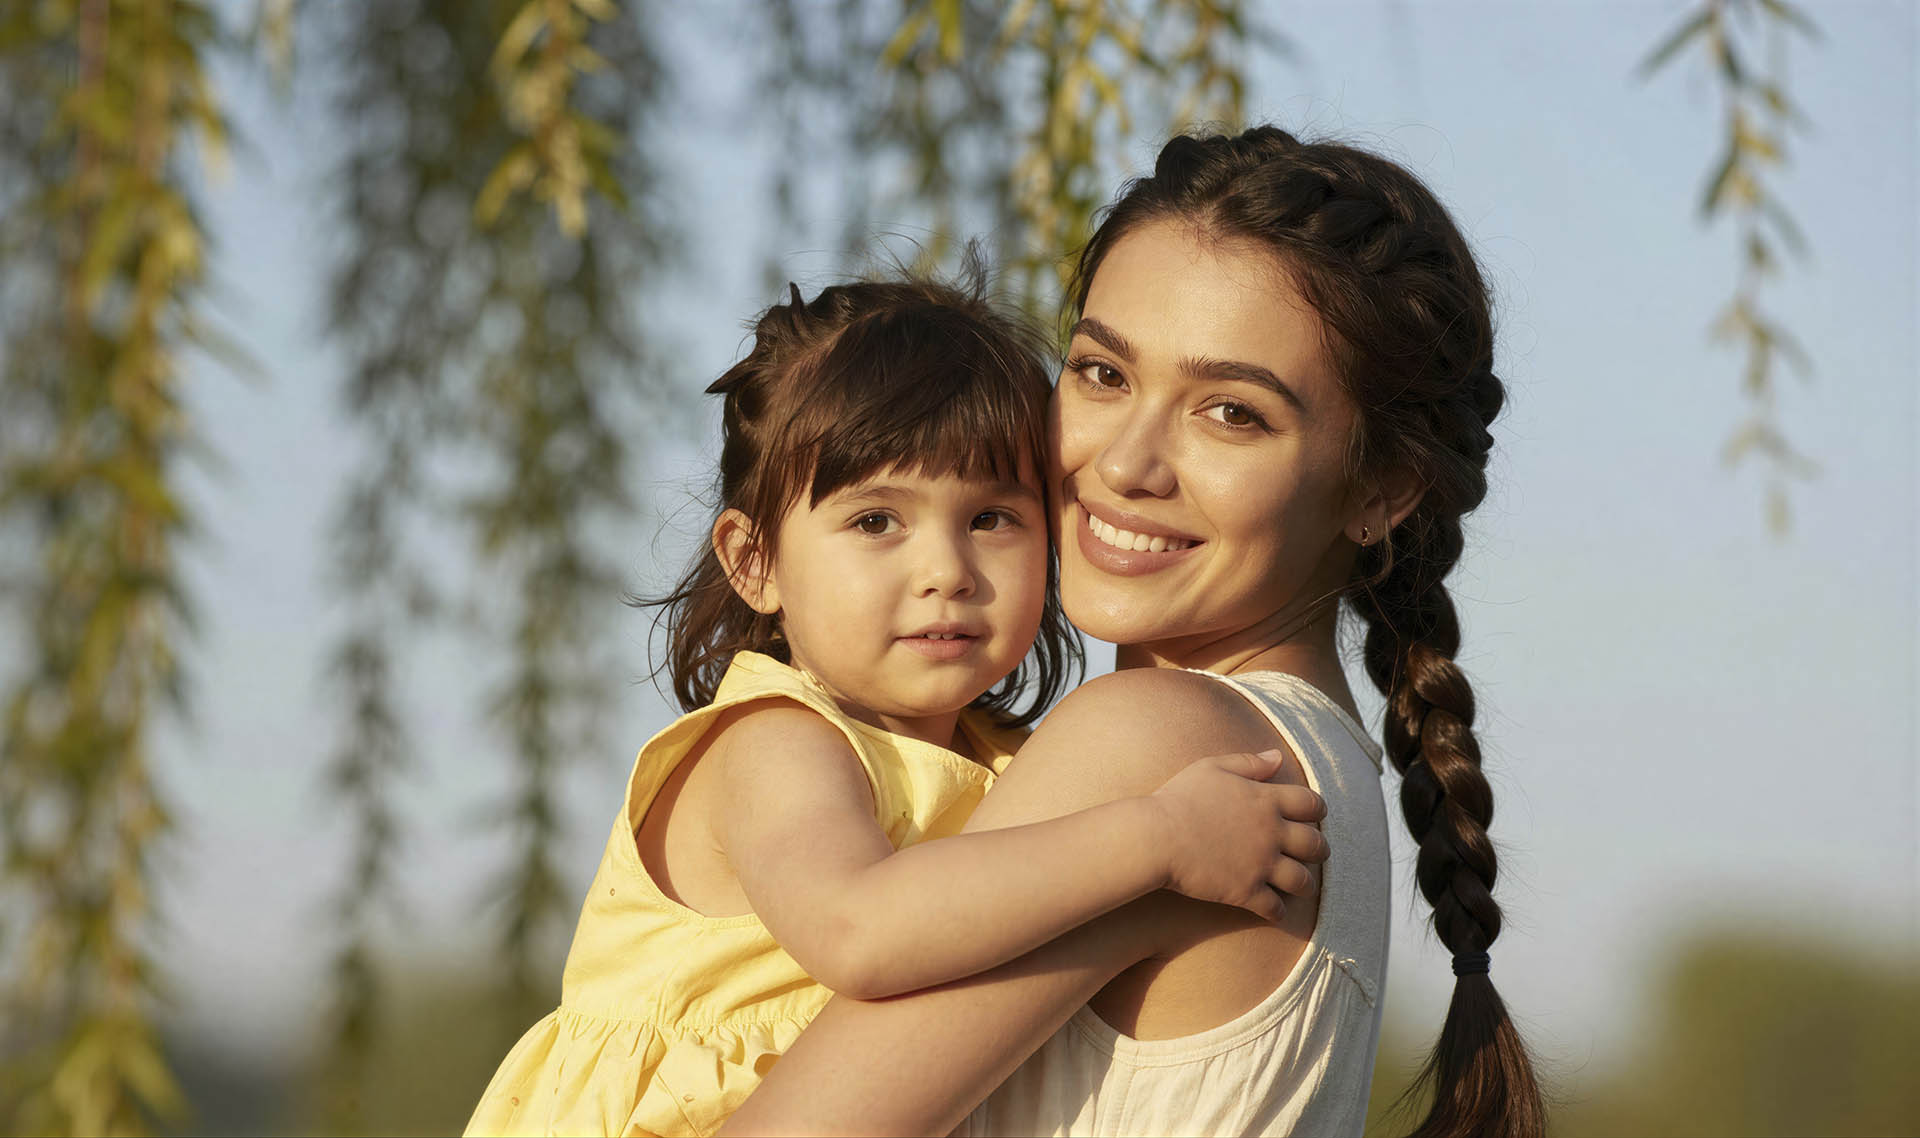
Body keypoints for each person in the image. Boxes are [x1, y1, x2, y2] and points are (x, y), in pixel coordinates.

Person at [720, 126, 1546, 1138]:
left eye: (1232, 413)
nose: (1126, 463)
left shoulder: (1160, 744)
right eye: (1104, 375)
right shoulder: (1322, 763)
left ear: (1381, 488)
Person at [462, 267, 1334, 1138]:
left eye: (992, 518)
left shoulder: (1004, 763)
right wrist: (1161, 837)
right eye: (877, 521)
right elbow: (861, 931)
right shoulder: (773, 743)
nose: (946, 572)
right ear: (754, 560)